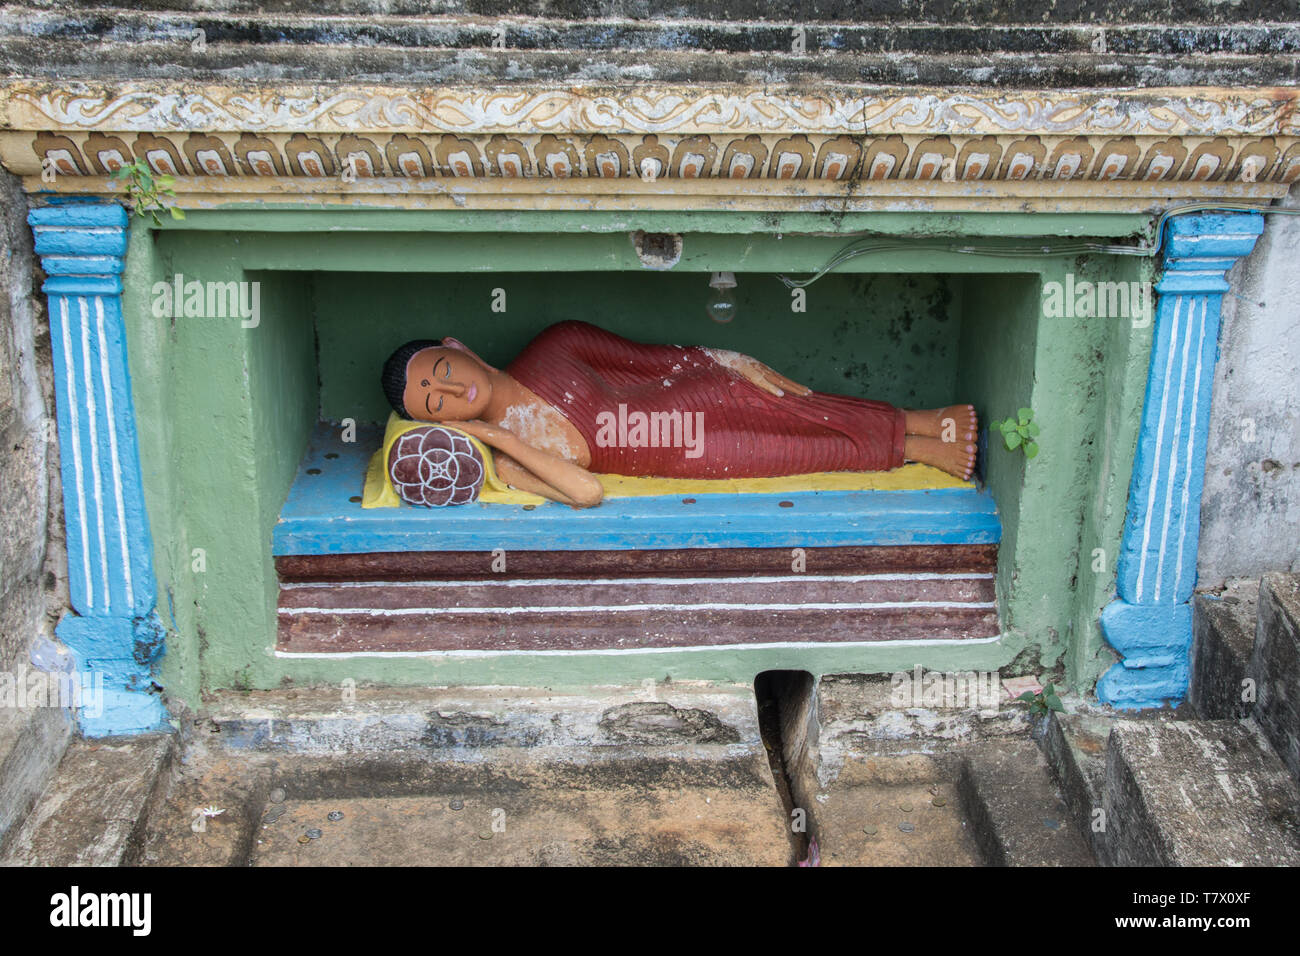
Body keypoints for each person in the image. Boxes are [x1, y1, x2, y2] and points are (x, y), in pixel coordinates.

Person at [381, 320, 976, 509]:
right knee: (796, 450)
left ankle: (923, 417)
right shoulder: (512, 460)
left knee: (798, 406)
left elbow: (649, 358)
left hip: (695, 392)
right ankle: (918, 446)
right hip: (687, 449)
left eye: (440, 371)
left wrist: (728, 360)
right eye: (433, 402)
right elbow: (586, 492)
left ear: (456, 349)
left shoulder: (554, 345)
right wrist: (492, 435)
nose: (448, 391)